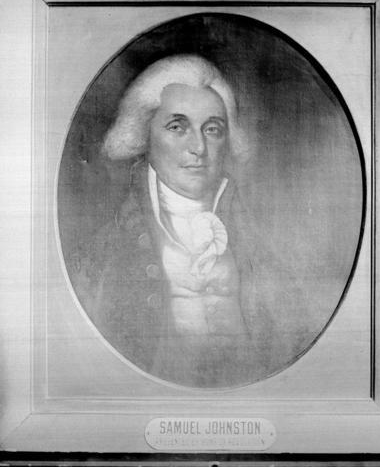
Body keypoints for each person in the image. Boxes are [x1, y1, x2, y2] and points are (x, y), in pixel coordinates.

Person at [74, 54, 304, 388]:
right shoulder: (103, 253)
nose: (198, 147)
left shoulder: (262, 245)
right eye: (177, 127)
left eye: (212, 129)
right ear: (143, 135)